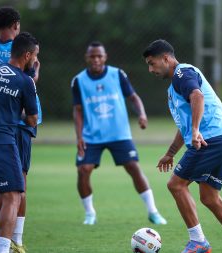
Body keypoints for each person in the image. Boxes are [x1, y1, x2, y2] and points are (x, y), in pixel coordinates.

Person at [143, 39, 222, 253]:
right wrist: (170, 153)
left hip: (210, 139)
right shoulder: (175, 86)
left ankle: (198, 242)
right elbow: (184, 125)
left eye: (152, 63)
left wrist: (196, 131)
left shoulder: (181, 74)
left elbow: (197, 96)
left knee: (176, 185)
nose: (150, 69)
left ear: (166, 58)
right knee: (209, 197)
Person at [71, 41, 166, 226]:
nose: (96, 59)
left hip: (119, 134)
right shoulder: (78, 81)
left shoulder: (117, 74)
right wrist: (79, 136)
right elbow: (78, 110)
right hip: (92, 136)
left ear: (105, 57)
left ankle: (153, 211)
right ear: (87, 58)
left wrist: (142, 114)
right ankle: (90, 213)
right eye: (92, 56)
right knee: (83, 170)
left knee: (134, 167)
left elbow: (133, 97)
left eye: (99, 56)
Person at [0, 7, 42, 252]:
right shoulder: (23, 49)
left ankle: (2, 236)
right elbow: (30, 80)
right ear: (16, 24)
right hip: (18, 123)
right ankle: (16, 240)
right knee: (18, 185)